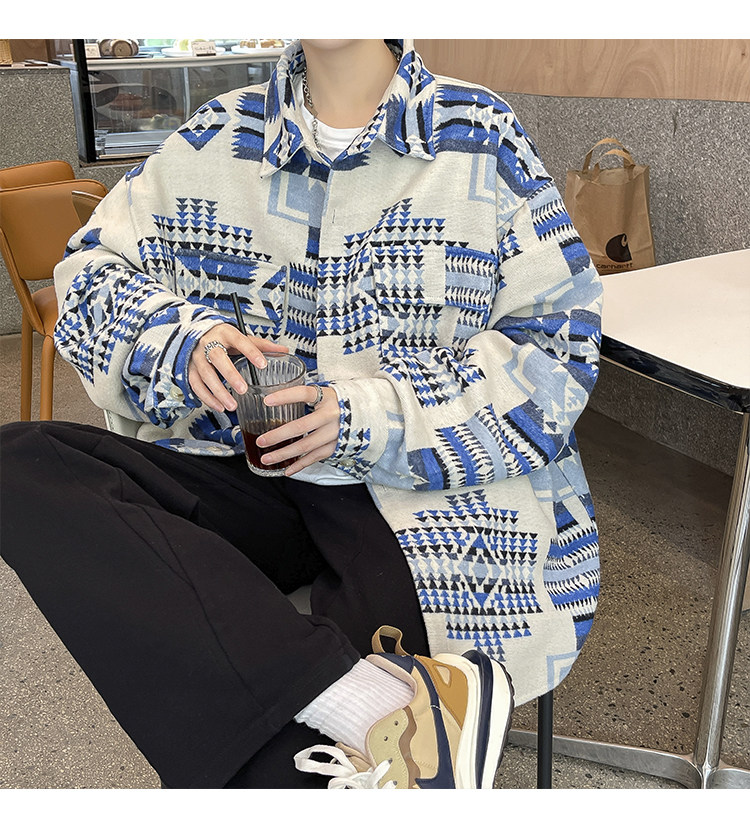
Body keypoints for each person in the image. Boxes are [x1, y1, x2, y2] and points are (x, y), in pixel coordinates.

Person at [0, 38, 602, 789]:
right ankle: (365, 701)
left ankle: (344, 720)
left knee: (274, 739)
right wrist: (179, 341)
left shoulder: (476, 134)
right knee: (23, 464)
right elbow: (88, 275)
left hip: (417, 496)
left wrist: (359, 414)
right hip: (241, 468)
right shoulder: (219, 134)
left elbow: (555, 355)